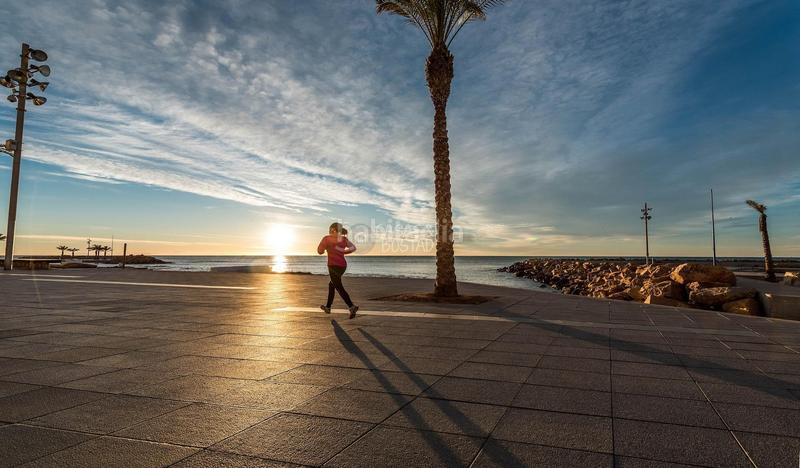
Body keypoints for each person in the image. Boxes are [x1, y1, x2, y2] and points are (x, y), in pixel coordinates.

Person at [317, 222, 359, 319]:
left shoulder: (326, 238)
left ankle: (351, 307)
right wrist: (343, 251)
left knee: (338, 286)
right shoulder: (343, 239)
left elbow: (319, 251)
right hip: (342, 266)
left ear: (333, 229)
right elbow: (353, 248)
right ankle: (328, 307)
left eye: (330, 229)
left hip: (333, 266)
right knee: (332, 285)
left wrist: (324, 250)